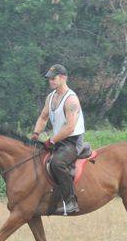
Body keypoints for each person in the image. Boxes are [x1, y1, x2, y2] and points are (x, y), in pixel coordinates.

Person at [30, 64, 86, 215]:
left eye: (53, 78)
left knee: (57, 163)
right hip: (58, 139)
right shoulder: (51, 97)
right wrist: (36, 134)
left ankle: (71, 202)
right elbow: (43, 117)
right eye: (49, 79)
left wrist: (51, 141)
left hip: (72, 141)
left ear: (63, 78)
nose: (51, 81)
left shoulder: (71, 100)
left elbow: (70, 127)